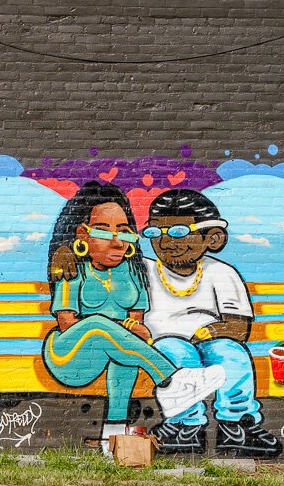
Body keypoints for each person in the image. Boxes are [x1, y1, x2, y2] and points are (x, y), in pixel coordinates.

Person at [42, 183, 224, 444]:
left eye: (124, 232)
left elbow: (136, 323)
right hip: (69, 355)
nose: (117, 241)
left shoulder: (133, 272)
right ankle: (171, 380)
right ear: (82, 234)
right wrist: (122, 329)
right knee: (98, 326)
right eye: (104, 232)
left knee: (124, 356)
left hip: (111, 351)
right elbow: (66, 323)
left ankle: (112, 435)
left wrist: (136, 330)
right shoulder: (73, 269)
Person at [141, 188, 280, 457]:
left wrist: (207, 333)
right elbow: (99, 257)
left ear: (212, 237)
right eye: (156, 233)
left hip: (210, 341)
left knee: (232, 353)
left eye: (180, 232)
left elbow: (238, 326)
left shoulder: (221, 272)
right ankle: (185, 425)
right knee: (175, 353)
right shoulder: (143, 268)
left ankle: (238, 424)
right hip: (164, 344)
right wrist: (63, 253)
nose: (167, 241)